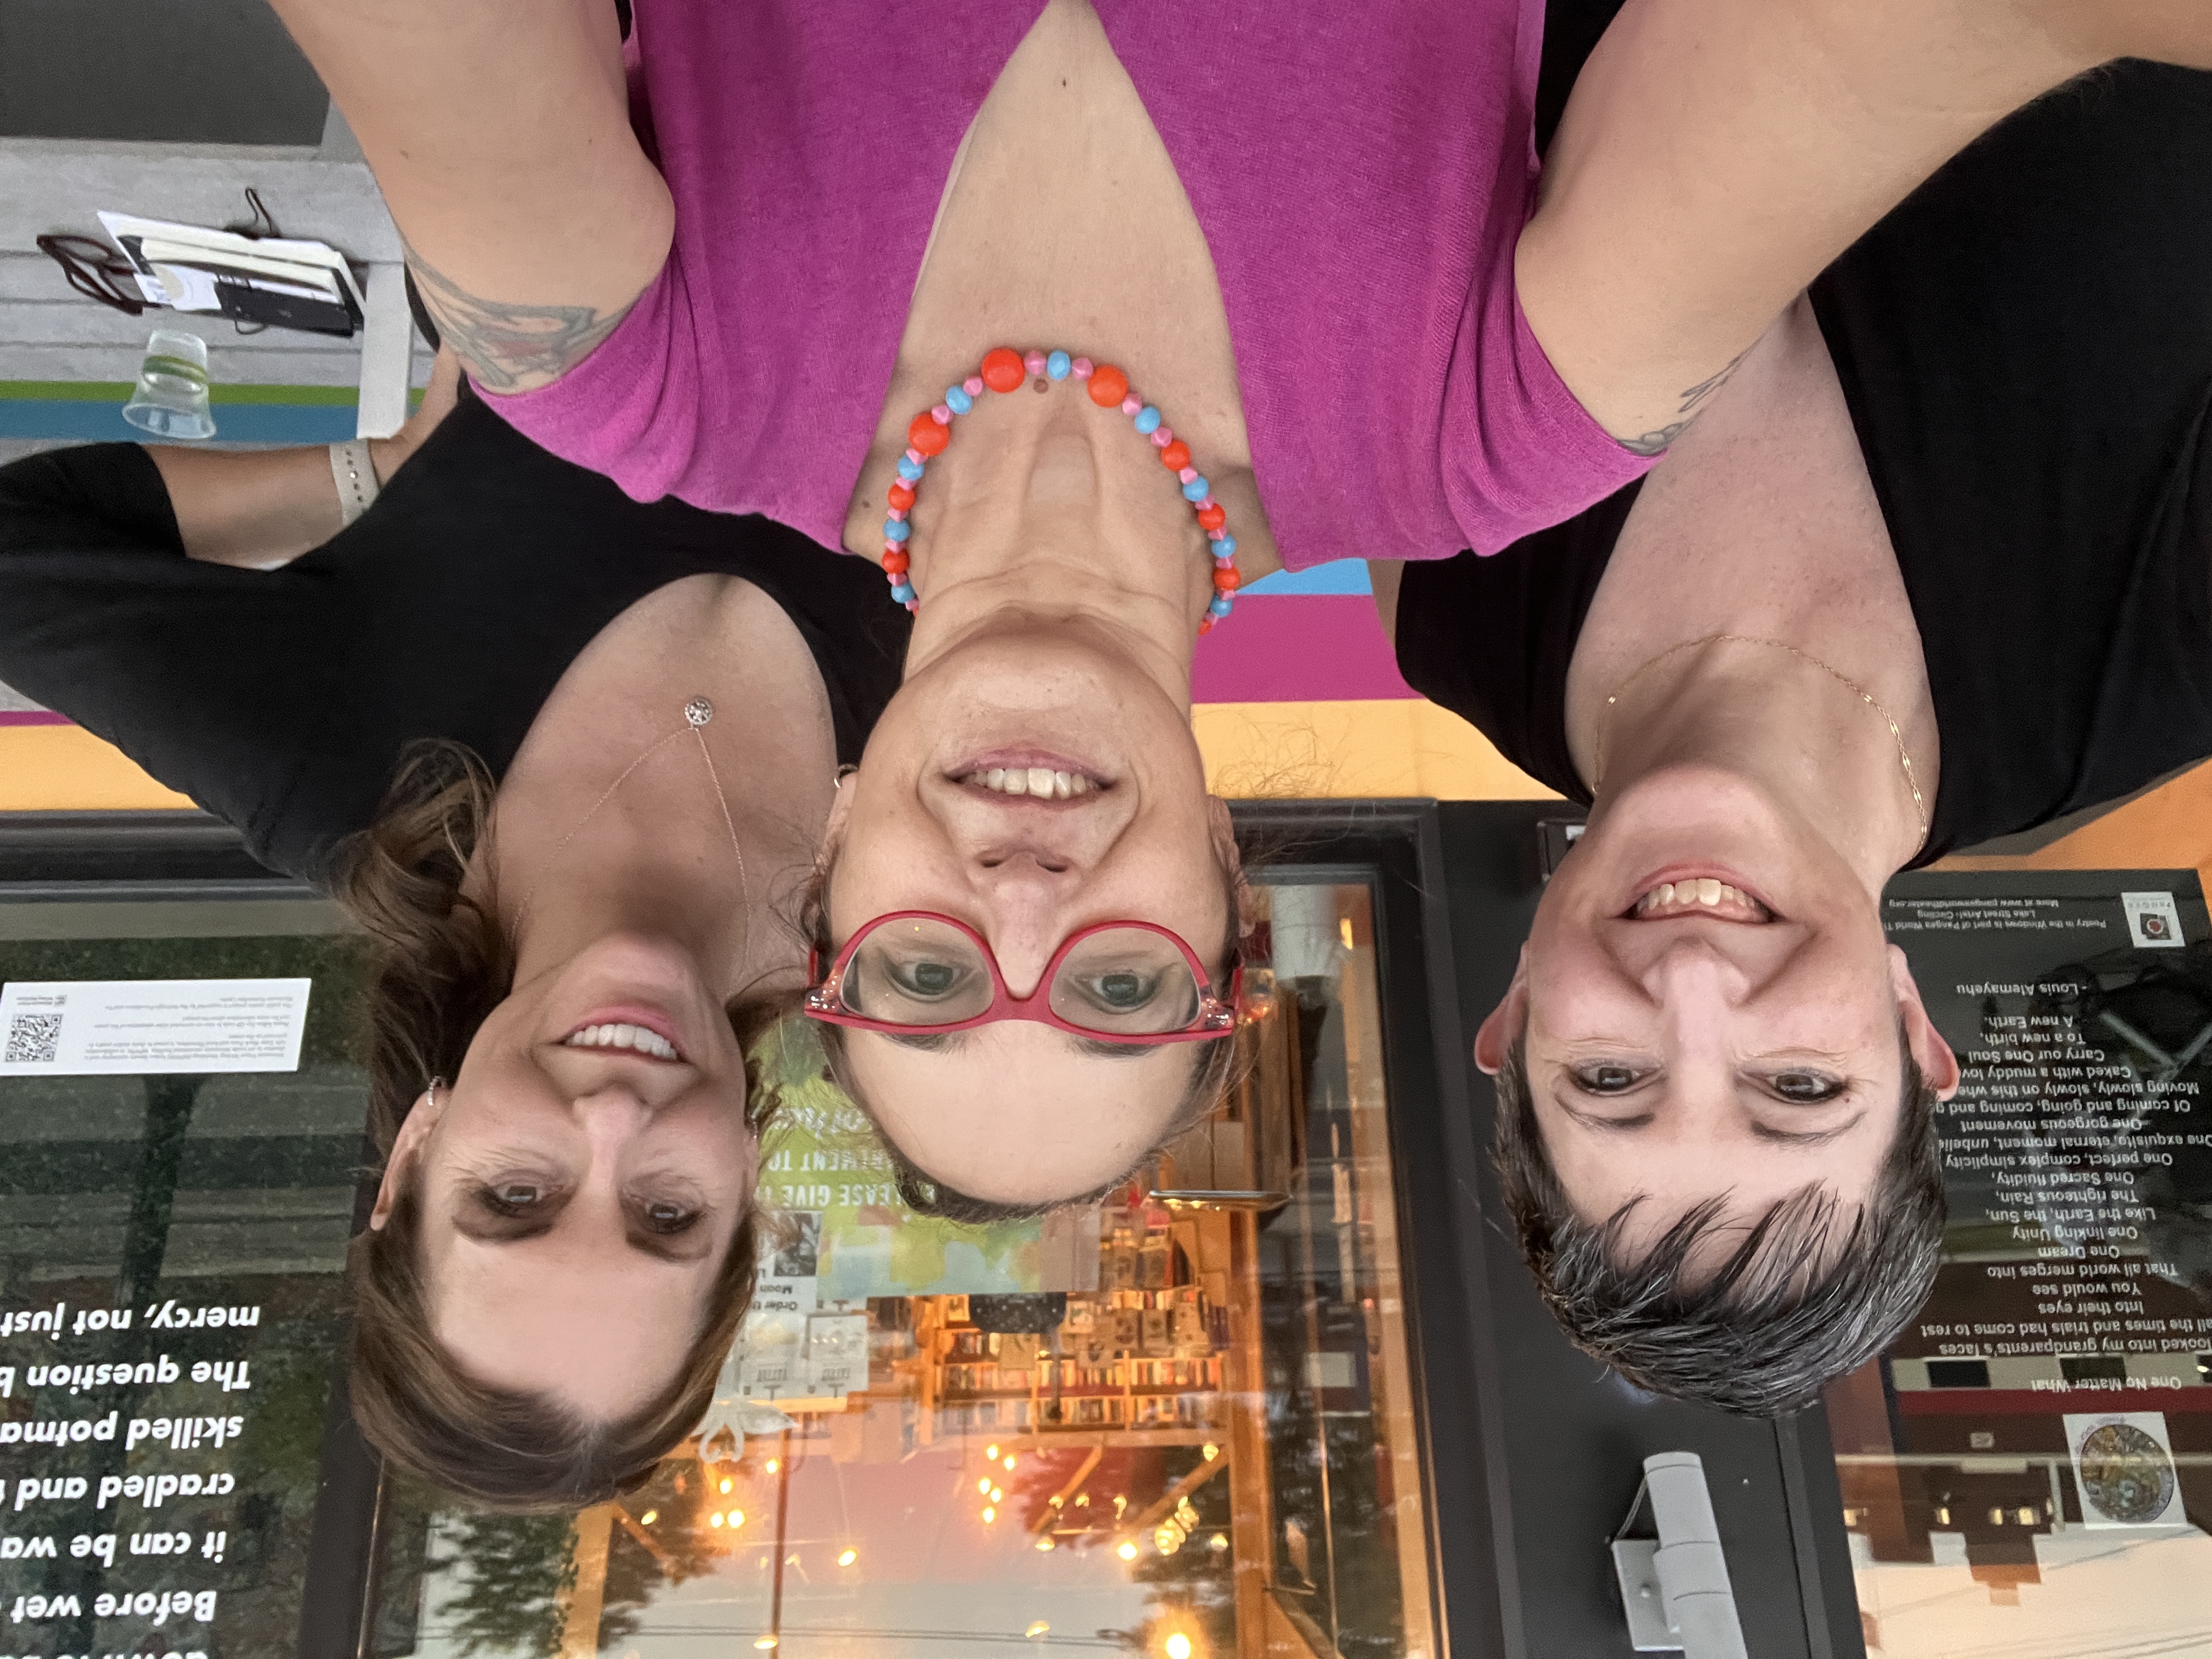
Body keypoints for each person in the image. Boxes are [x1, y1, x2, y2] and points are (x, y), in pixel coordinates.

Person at [266, 0, 2201, 1215]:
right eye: (1117, 988)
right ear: (1221, 900)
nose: (1022, 904)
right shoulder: (1493, 447)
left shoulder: (630, 376)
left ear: (826, 879)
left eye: (926, 977)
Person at [1379, 36, 2212, 1414]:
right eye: (1801, 1088)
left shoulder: (1448, 612)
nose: (1696, 988)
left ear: (1513, 1018)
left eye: (1608, 1076)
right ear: (1912, 1037)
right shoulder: (2168, 651)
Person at [0, 346, 908, 1506]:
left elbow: (18, 551)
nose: (618, 1121)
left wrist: (372, 469)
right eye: (667, 1215)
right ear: (744, 1202)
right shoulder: (904, 901)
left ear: (414, 1159)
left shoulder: (341, 776)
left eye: (516, 1198)